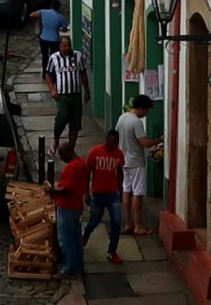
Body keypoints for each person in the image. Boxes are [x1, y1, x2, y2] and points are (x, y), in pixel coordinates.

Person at [83, 128, 126, 263]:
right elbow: (87, 172)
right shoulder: (95, 153)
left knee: (117, 222)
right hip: (98, 194)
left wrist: (120, 191)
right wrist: (86, 193)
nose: (113, 146)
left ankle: (112, 251)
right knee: (94, 221)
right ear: (107, 139)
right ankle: (85, 236)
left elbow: (120, 172)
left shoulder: (119, 154)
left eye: (116, 143)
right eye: (111, 142)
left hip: (113, 194)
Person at [50, 137, 90, 278]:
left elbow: (67, 189)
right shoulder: (81, 163)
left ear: (66, 152)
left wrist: (53, 191)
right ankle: (78, 266)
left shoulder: (72, 167)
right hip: (76, 206)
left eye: (61, 155)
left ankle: (68, 268)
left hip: (67, 206)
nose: (61, 159)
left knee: (65, 239)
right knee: (75, 239)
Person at [112, 95, 152, 236]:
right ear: (141, 108)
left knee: (126, 191)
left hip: (124, 160)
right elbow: (144, 142)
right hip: (136, 161)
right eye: (146, 110)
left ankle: (128, 223)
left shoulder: (122, 118)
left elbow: (116, 137)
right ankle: (138, 225)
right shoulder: (136, 122)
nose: (146, 114)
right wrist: (159, 140)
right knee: (137, 193)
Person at [44, 35, 87, 146]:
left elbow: (83, 73)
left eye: (68, 46)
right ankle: (56, 141)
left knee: (75, 124)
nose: (66, 48)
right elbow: (48, 74)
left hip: (76, 95)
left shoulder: (78, 56)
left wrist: (87, 91)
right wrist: (52, 90)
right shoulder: (54, 58)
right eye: (64, 46)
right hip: (62, 96)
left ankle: (71, 147)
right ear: (59, 46)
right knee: (60, 121)